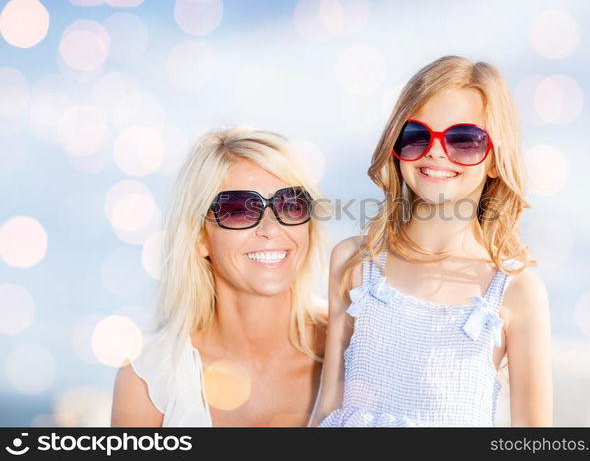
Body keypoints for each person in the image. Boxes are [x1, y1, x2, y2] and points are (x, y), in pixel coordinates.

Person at [309, 56, 553, 427]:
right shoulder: (355, 263)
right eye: (417, 135)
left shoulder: (514, 290)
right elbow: (328, 408)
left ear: (493, 160)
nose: (436, 151)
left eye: (465, 140)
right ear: (396, 143)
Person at [111, 127, 328, 426]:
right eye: (238, 210)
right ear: (200, 237)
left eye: (290, 205)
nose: (271, 229)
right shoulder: (148, 380)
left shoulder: (357, 347)